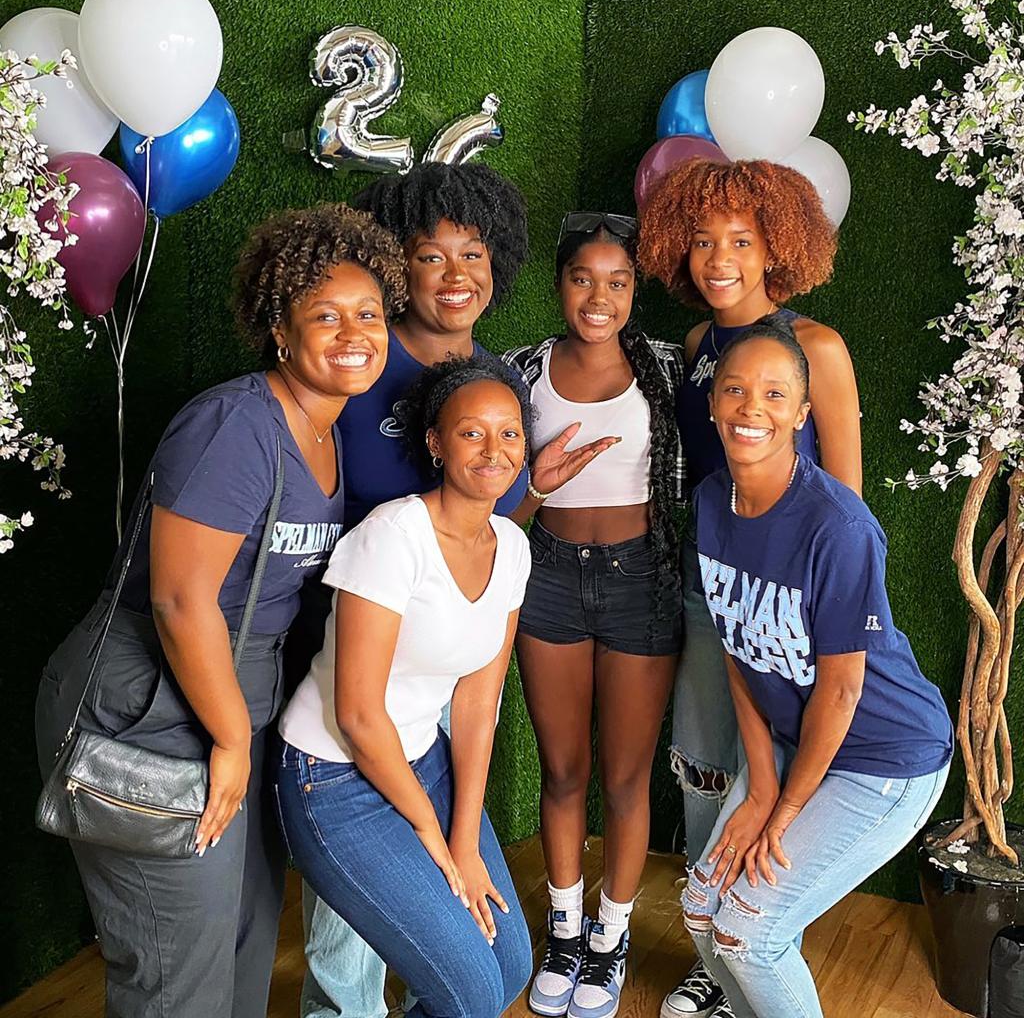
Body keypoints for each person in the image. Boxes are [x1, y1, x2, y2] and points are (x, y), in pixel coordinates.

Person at [33, 204, 407, 1017]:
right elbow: (178, 598)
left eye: (370, 313)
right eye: (326, 315)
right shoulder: (235, 425)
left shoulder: (328, 428)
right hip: (151, 702)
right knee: (177, 977)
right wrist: (232, 738)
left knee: (240, 939)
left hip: (240, 695)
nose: (355, 332)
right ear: (280, 327)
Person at [301, 162, 617, 1018]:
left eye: (473, 255)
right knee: (354, 913)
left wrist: (535, 487)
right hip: (354, 665)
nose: (456, 275)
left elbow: (479, 512)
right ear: (397, 265)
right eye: (431, 256)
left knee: (457, 916)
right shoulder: (361, 357)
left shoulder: (491, 373)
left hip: (441, 669)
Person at [638, 159, 862, 1018]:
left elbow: (847, 503)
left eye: (740, 239)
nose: (718, 257)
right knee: (703, 770)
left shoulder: (820, 349)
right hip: (708, 596)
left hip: (794, 615)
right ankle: (715, 956)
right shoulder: (697, 348)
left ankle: (762, 939)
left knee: (769, 779)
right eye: (701, 240)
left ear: (779, 246)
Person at [681, 316, 952, 1018]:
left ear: (803, 414)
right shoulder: (712, 502)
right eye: (736, 390)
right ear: (712, 402)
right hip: (795, 747)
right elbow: (739, 648)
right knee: (701, 910)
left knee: (749, 934)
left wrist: (787, 808)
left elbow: (842, 688)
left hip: (884, 757)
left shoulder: (839, 526)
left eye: (775, 395)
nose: (752, 408)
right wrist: (762, 786)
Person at [276, 356, 536, 1018]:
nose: (493, 450)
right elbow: (358, 715)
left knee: (507, 970)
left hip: (426, 758)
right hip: (331, 777)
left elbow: (478, 705)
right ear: (435, 443)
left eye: (509, 433)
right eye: (472, 432)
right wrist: (434, 835)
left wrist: (467, 839)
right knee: (470, 992)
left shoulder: (510, 546)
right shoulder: (393, 536)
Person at [503, 211, 685, 1018]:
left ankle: (611, 943)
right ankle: (566, 932)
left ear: (634, 290)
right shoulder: (522, 370)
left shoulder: (668, 372)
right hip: (546, 574)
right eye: (584, 278)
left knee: (625, 776)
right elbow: (493, 487)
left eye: (617, 282)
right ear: (559, 284)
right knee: (565, 768)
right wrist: (536, 481)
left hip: (641, 576)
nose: (599, 296)